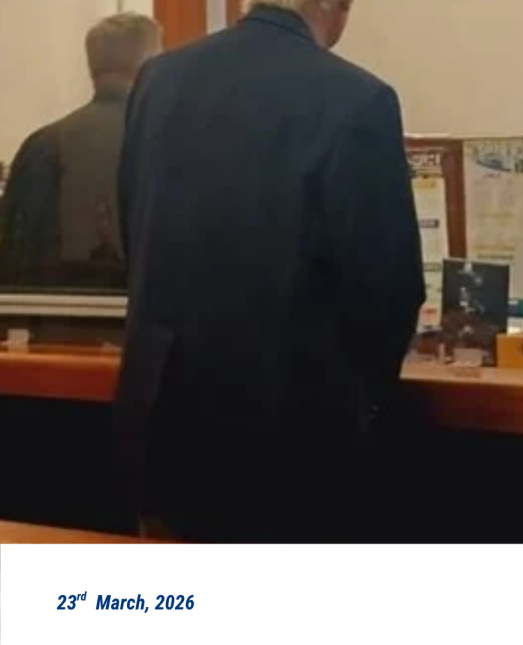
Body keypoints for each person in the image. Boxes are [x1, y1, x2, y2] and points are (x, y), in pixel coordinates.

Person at [114, 0, 425, 542]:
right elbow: (389, 291)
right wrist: (356, 399)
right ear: (336, 7)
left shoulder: (157, 81)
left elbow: (132, 230)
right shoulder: (359, 99)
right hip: (291, 447)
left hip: (161, 434)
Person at [0, 13, 162, 289]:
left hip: (46, 310)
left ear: (91, 66)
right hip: (145, 308)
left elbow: (12, 254)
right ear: (151, 63)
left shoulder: (40, 145)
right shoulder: (165, 141)